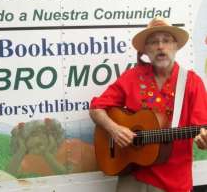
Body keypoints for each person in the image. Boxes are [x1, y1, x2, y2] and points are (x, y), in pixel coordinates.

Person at [89, 17, 207, 192]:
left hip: (174, 181)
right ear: (145, 50)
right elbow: (96, 108)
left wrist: (203, 141)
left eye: (166, 41)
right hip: (133, 176)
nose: (160, 46)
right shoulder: (132, 77)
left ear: (175, 46)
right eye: (153, 42)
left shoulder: (192, 82)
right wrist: (115, 129)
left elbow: (202, 130)